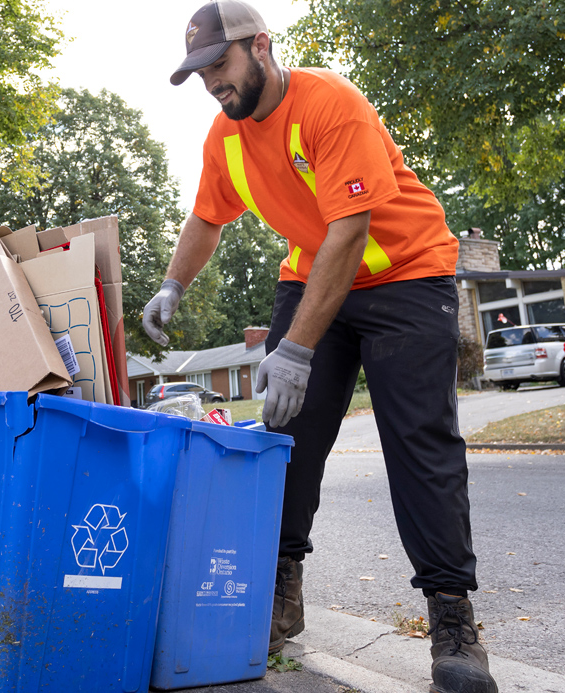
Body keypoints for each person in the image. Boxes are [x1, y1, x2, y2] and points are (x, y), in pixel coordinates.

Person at [142, 2, 497, 692]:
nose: (213, 83)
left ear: (260, 47)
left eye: (220, 64)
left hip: (406, 272)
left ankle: (452, 622)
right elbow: (207, 216)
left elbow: (350, 232)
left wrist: (296, 349)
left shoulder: (328, 104)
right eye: (201, 73)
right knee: (282, 440)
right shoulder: (226, 137)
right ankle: (277, 591)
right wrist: (171, 285)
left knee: (418, 441)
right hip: (312, 273)